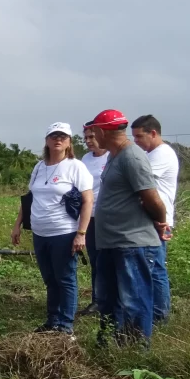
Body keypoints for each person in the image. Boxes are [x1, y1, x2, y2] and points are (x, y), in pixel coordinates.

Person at [86, 110, 167, 345]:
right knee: (109, 298)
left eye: (94, 132)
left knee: (134, 300)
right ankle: (112, 343)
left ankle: (136, 350)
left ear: (102, 131)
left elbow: (151, 198)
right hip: (111, 241)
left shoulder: (132, 157)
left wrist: (160, 222)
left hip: (132, 241)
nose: (92, 136)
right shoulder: (114, 155)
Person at [11, 123, 93, 335]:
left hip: (64, 232)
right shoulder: (39, 167)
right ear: (47, 140)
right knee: (49, 279)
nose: (58, 139)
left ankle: (66, 327)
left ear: (69, 142)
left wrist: (81, 233)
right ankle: (52, 321)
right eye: (54, 136)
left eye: (63, 136)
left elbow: (87, 201)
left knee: (65, 278)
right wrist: (18, 224)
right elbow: (30, 198)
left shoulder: (75, 166)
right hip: (40, 232)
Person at [131, 115, 178, 324]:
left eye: (139, 136)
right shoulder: (150, 154)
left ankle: (160, 316)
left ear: (153, 133)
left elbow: (139, 181)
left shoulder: (162, 154)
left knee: (156, 268)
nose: (136, 142)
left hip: (158, 219)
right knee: (148, 267)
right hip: (149, 218)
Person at [78, 126, 109, 315]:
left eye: (92, 137)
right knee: (96, 260)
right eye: (86, 138)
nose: (89, 141)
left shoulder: (112, 156)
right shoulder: (85, 160)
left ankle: (111, 300)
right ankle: (97, 300)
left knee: (109, 260)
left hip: (108, 216)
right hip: (90, 216)